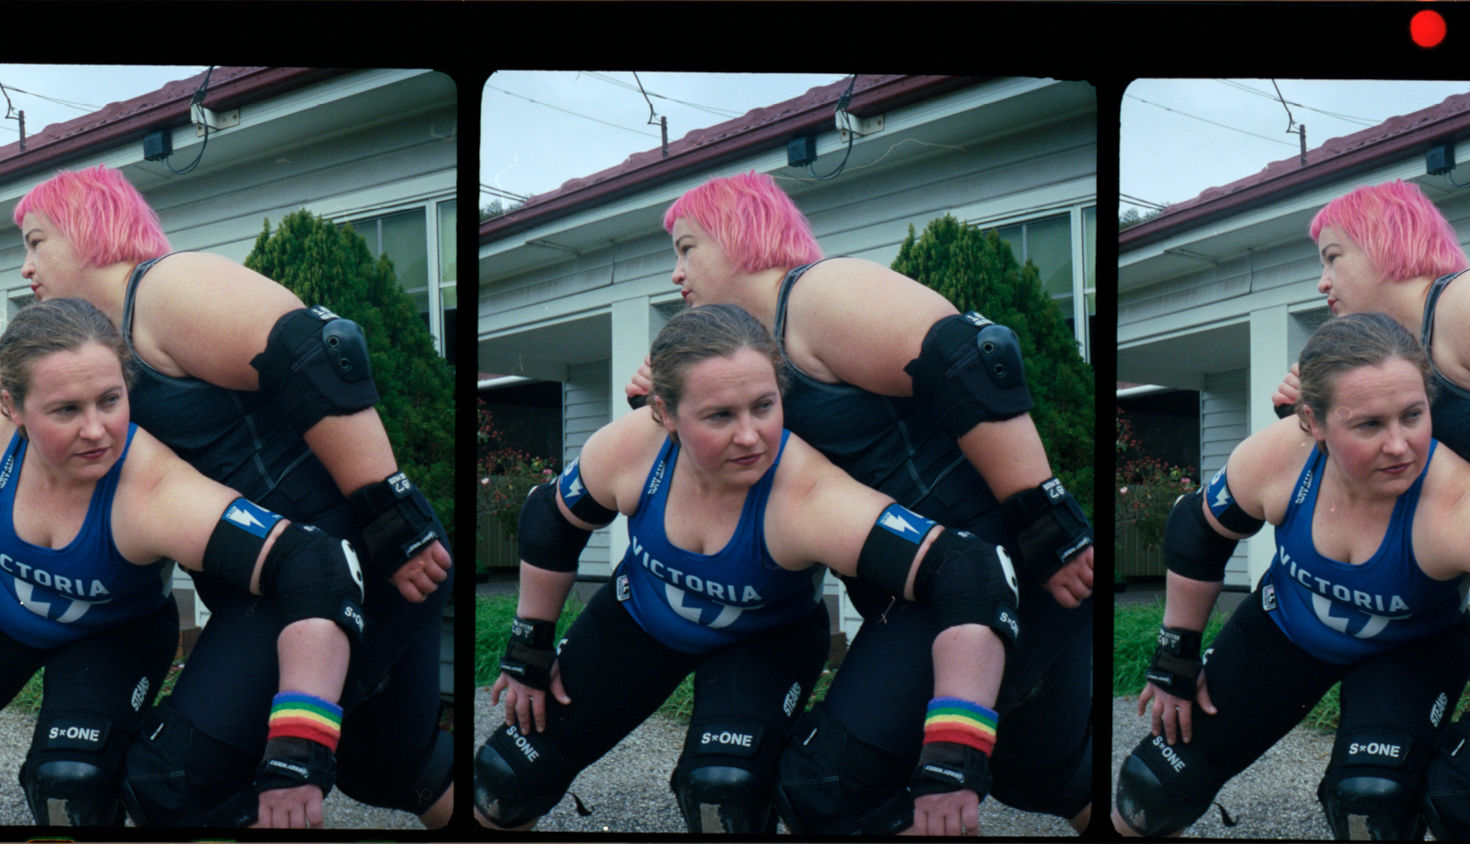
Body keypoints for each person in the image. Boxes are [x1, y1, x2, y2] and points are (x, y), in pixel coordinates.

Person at [624, 171, 1094, 834]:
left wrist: (1052, 524)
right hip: (916, 589)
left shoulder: (816, 293)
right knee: (1039, 770)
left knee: (828, 789)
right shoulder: (760, 350)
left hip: (991, 571)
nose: (676, 272)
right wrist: (668, 394)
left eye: (687, 247)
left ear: (738, 233)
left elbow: (973, 358)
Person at [13, 165, 454, 828]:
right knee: (391, 768)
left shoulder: (162, 287)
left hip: (349, 562)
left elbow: (319, 351)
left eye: (36, 241)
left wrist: (392, 512)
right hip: (273, 581)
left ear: (85, 227)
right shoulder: (99, 344)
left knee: (175, 782)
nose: (26, 268)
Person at [475, 304, 1022, 836]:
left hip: (766, 642)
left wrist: (955, 750)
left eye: (764, 406)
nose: (750, 436)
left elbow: (973, 574)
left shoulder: (805, 496)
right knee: (505, 780)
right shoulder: (630, 451)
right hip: (637, 620)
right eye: (719, 415)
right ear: (663, 413)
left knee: (722, 792)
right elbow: (549, 521)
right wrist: (529, 645)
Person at [1113, 311, 1470, 839]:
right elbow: (1195, 534)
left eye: (1413, 415)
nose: (1399, 445)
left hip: (1412, 652)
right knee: (1149, 792)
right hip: (1283, 629)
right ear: (1312, 422)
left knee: (1371, 806)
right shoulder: (1282, 459)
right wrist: (1174, 657)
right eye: (1369, 424)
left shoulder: (1461, 507)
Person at [0, 297, 362, 828]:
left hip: (115, 634)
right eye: (65, 410)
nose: (97, 430)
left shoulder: (150, 490)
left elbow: (318, 564)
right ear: (12, 409)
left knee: (70, 786)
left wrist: (300, 746)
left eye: (110, 400)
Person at [1271, 180, 1470, 839]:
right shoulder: (1399, 357)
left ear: (1384, 242)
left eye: (1333, 256)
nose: (1322, 282)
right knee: (1453, 798)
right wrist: (1306, 410)